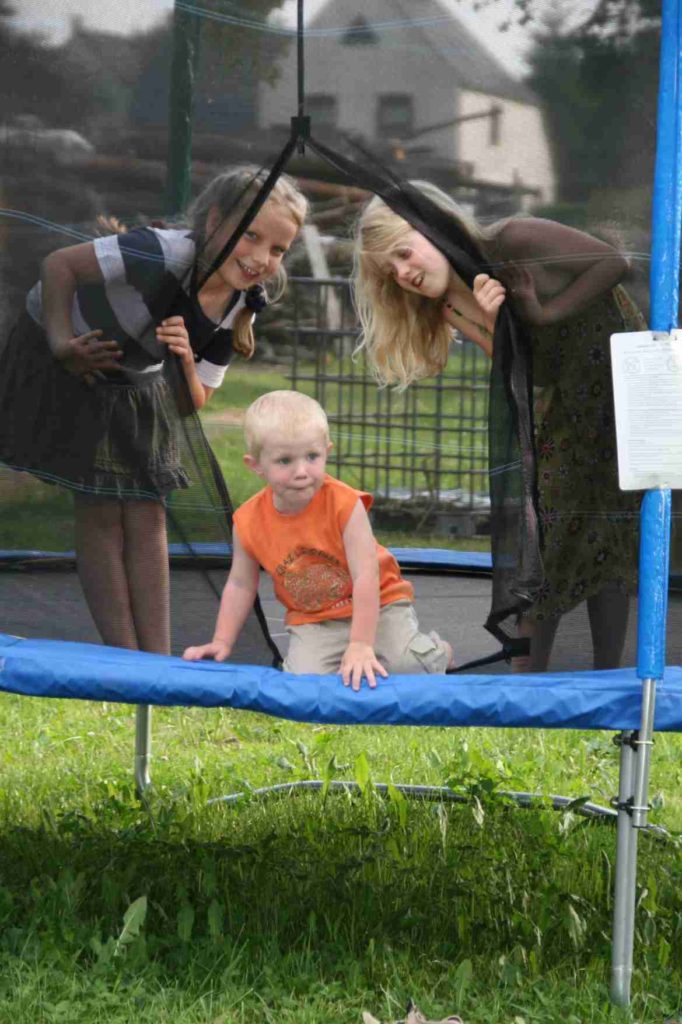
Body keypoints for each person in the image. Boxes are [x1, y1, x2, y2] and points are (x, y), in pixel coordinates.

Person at [0, 166, 308, 658]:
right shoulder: (162, 251)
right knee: (101, 505)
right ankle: (124, 658)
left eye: (277, 249)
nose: (260, 258)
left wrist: (186, 358)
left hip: (137, 373)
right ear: (214, 222)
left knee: (147, 509)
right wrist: (62, 345)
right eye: (251, 235)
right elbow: (59, 265)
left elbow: (193, 402)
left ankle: (157, 662)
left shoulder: (240, 301)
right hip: (66, 345)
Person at [353, 182, 646, 672]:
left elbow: (615, 262)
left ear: (435, 228)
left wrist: (540, 311)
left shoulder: (513, 240)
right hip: (570, 404)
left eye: (404, 253)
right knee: (556, 535)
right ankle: (537, 682)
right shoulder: (452, 304)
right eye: (392, 270)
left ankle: (603, 675)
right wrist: (503, 324)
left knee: (597, 532)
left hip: (624, 385)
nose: (404, 273)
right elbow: (537, 374)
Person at [183, 390, 454, 689]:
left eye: (312, 457)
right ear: (256, 465)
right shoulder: (247, 522)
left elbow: (366, 575)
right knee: (302, 687)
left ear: (327, 451)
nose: (301, 471)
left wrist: (361, 644)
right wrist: (222, 641)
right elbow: (240, 584)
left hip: (380, 605)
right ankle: (344, 655)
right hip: (314, 619)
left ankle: (436, 652)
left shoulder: (345, 505)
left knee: (409, 671)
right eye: (285, 460)